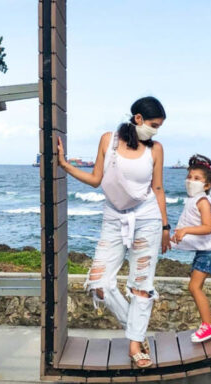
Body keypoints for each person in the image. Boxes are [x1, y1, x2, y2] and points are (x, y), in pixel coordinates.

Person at [56, 96, 170, 368]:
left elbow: (158, 188)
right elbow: (96, 179)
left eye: (159, 126)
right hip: (113, 219)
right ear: (138, 118)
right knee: (99, 283)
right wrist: (65, 165)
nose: (155, 130)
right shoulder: (110, 140)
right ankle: (137, 332)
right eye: (153, 124)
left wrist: (166, 226)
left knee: (141, 286)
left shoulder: (155, 149)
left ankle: (134, 345)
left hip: (147, 219)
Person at [167, 154, 211, 343]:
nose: (191, 181)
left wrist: (185, 231)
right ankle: (206, 324)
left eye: (197, 179)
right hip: (205, 249)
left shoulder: (202, 201)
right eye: (189, 177)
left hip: (210, 250)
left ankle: (209, 325)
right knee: (194, 286)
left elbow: (207, 227)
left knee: (194, 287)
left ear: (206, 185)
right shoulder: (192, 199)